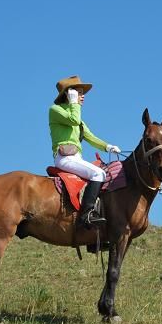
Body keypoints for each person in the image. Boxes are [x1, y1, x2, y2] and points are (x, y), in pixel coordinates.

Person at [49, 75, 121, 228]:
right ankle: (86, 215)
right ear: (69, 94)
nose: (83, 97)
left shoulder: (78, 119)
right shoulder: (55, 110)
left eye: (82, 94)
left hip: (76, 157)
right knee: (98, 174)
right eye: (79, 92)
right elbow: (73, 120)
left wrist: (108, 147)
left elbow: (91, 137)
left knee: (101, 173)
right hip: (64, 158)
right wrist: (74, 102)